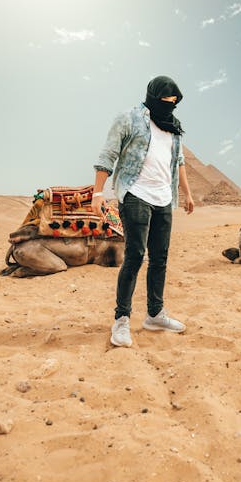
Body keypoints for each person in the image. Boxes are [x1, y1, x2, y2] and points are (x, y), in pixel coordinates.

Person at [92, 75, 194, 347]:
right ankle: (121, 319)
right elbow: (108, 155)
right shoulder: (129, 118)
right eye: (165, 102)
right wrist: (97, 192)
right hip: (135, 192)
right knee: (135, 255)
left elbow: (179, 162)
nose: (169, 107)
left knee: (160, 258)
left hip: (164, 197)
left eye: (174, 103)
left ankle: (155, 314)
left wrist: (187, 193)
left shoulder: (174, 127)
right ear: (152, 97)